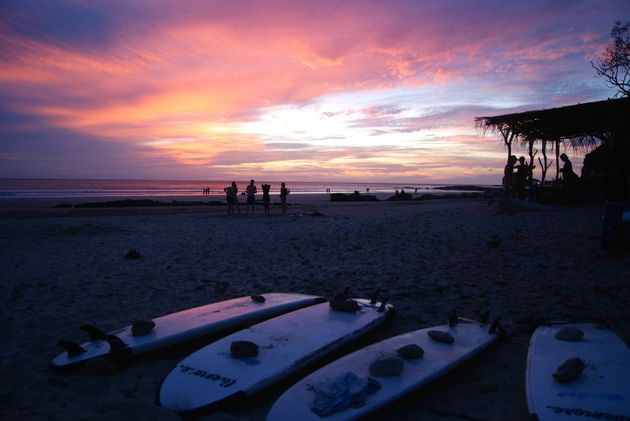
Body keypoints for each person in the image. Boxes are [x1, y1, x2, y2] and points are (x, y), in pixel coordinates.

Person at [596, 130, 629, 254]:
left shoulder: (617, 155)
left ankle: (614, 246)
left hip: (616, 191)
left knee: (613, 219)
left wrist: (601, 175)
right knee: (614, 218)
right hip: (616, 191)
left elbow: (616, 172)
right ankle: (614, 245)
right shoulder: (619, 155)